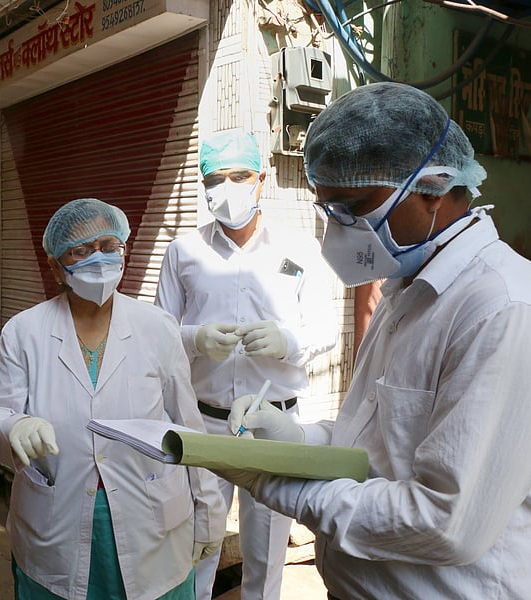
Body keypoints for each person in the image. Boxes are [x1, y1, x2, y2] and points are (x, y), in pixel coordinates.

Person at [222, 82, 531, 598]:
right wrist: (301, 443)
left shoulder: (500, 308)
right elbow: (378, 448)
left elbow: (444, 520)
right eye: (329, 210)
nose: (341, 230)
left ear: (432, 187)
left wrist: (289, 488)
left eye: (354, 206)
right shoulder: (405, 291)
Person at [0, 198, 226, 599]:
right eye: (81, 250)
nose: (98, 258)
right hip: (55, 521)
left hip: (152, 518)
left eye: (109, 246)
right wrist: (13, 426)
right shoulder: (23, 332)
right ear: (55, 266)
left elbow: (188, 429)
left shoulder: (157, 327)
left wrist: (210, 511)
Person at [154, 129, 338, 600]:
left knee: (266, 552)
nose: (230, 187)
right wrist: (194, 339)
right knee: (198, 543)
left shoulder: (298, 250)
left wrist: (287, 341)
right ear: (203, 184)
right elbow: (156, 335)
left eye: (241, 175)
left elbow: (327, 330)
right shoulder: (184, 252)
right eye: (217, 178)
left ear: (262, 179)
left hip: (273, 426)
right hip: (206, 425)